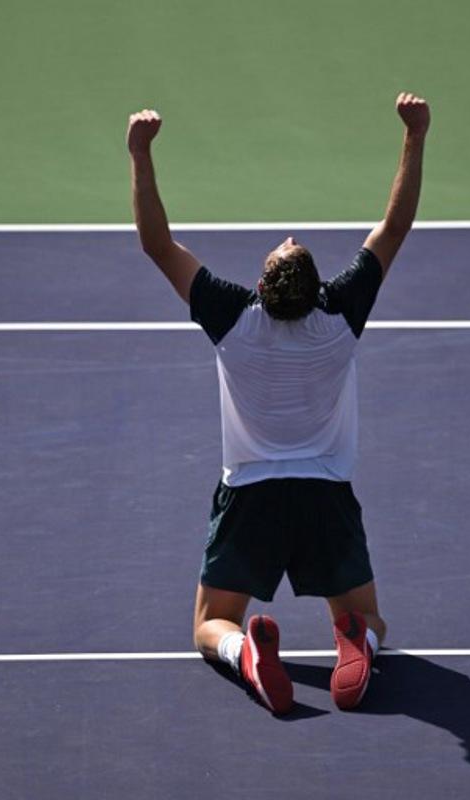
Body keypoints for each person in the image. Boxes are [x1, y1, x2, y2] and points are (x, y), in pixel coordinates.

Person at [127, 92, 429, 714]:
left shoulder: (234, 318)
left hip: (251, 498)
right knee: (370, 615)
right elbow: (393, 229)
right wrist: (415, 134)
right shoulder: (341, 316)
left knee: (212, 623)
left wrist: (140, 154)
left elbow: (158, 244)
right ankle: (356, 639)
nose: (289, 235)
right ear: (318, 289)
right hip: (325, 496)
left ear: (261, 287)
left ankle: (245, 655)